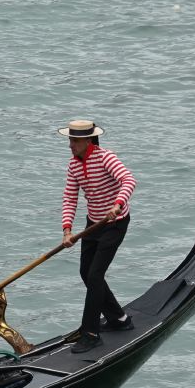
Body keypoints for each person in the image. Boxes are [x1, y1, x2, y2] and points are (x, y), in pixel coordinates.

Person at [58, 119, 136, 353]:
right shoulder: (74, 165)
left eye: (74, 141)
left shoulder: (105, 157)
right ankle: (118, 319)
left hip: (115, 223)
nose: (70, 145)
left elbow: (129, 180)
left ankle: (90, 333)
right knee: (86, 272)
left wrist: (118, 204)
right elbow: (70, 198)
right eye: (70, 140)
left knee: (94, 276)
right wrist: (67, 231)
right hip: (93, 224)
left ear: (87, 140)